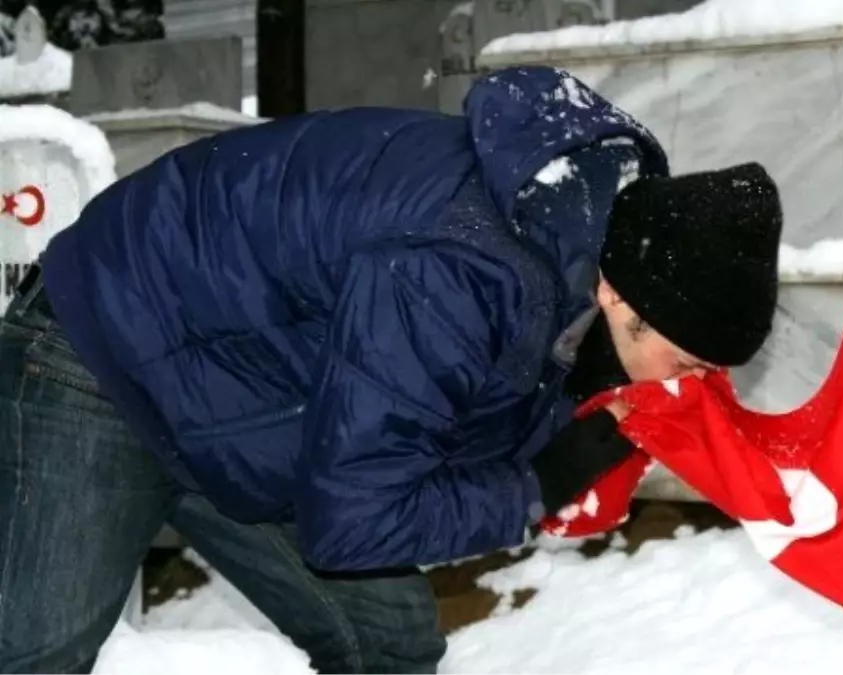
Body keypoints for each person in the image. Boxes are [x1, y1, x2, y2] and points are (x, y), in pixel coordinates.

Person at [0, 66, 783, 674]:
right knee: (39, 648)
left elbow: (453, 400)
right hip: (105, 347)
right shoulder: (456, 270)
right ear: (621, 295)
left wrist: (571, 401)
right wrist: (537, 482)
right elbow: (352, 523)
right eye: (682, 362)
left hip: (245, 390)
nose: (679, 385)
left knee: (388, 640)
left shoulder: (584, 242)